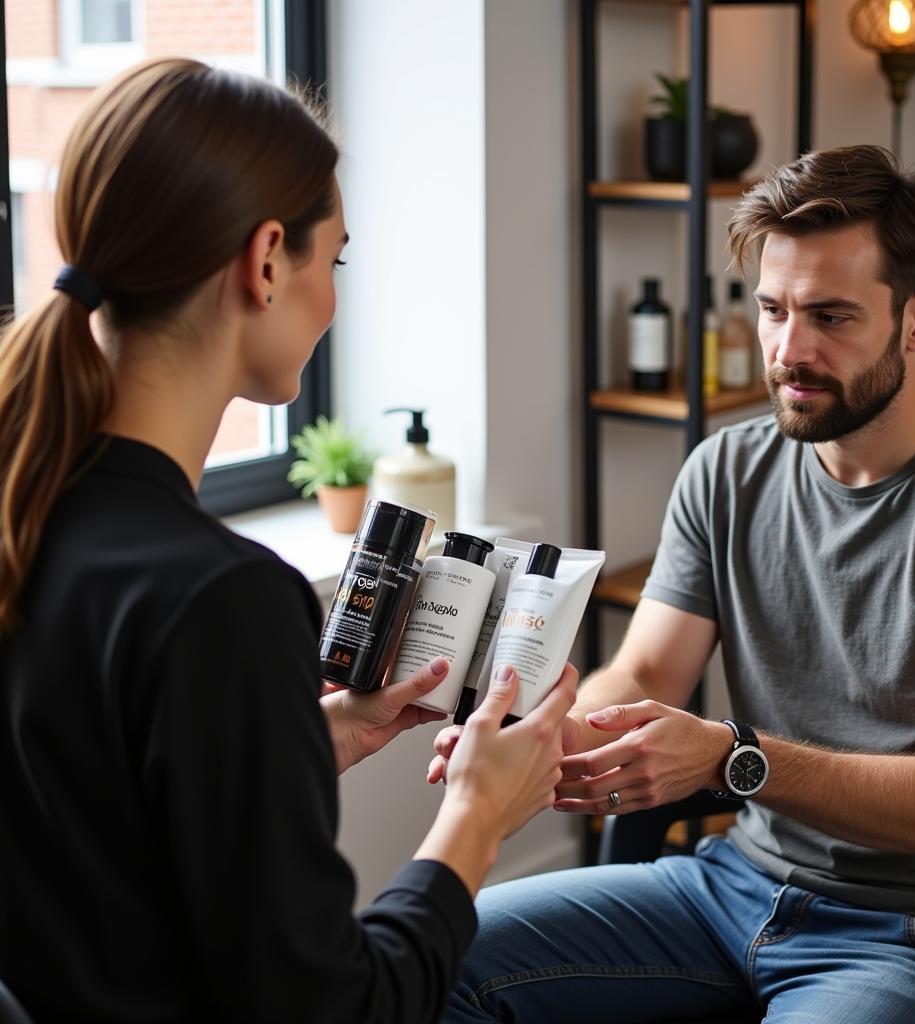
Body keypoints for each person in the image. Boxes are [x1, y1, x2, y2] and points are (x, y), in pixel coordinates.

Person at [0, 57, 577, 1024]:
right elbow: (339, 1009)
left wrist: (301, 743)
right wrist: (478, 820)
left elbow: (96, 831)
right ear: (267, 261)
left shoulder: (35, 522)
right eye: (335, 261)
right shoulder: (219, 597)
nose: (335, 299)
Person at [435, 146, 915, 1023]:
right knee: (426, 960)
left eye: (831, 317)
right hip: (723, 887)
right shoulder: (725, 470)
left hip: (905, 929)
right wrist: (545, 741)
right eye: (774, 310)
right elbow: (646, 676)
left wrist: (727, 754)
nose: (790, 350)